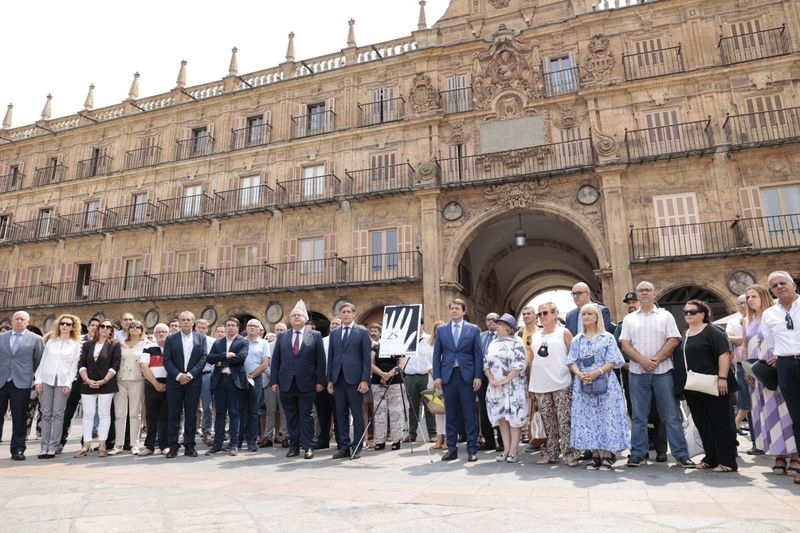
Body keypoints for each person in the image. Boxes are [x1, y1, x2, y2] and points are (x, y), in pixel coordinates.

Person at [619, 280, 695, 468]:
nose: (645, 293)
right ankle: (637, 453)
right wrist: (642, 361)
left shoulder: (665, 315)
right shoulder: (629, 319)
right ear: (637, 295)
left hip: (663, 372)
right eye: (641, 290)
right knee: (638, 416)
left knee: (671, 415)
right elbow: (625, 344)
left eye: (648, 290)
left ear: (654, 294)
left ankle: (681, 454)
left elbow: (674, 339)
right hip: (637, 373)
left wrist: (656, 359)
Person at [566, 304, 629, 471]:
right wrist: (580, 374)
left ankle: (608, 454)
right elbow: (572, 361)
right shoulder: (577, 339)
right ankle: (595, 454)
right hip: (584, 383)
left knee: (607, 417)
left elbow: (613, 360)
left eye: (590, 314)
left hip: (606, 382)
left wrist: (597, 372)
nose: (586, 316)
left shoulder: (607, 337)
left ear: (597, 317)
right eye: (584, 314)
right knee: (588, 419)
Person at [743, 284, 798, 474]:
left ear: (764, 296)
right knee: (769, 413)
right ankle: (779, 455)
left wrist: (779, 356)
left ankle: (796, 456)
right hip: (758, 373)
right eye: (748, 297)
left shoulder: (775, 315)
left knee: (787, 411)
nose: (750, 300)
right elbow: (745, 346)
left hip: (777, 367)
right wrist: (746, 369)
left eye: (754, 296)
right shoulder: (746, 320)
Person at [269, 300, 326, 460]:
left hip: (307, 383)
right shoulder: (282, 336)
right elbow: (276, 361)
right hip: (286, 383)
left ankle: (308, 447)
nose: (296, 317)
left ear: (305, 319)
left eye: (299, 315)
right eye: (293, 315)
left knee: (306, 416)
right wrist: (274, 381)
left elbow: (320, 361)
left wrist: (320, 381)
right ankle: (294, 446)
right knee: (291, 416)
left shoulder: (315, 335)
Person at [760, 271, 800, 486]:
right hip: (786, 365)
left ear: (793, 285)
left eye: (783, 282)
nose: (779, 287)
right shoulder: (769, 314)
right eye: (774, 286)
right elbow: (769, 340)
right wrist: (779, 355)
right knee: (797, 417)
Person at [528, 303, 580, 466]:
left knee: (564, 421)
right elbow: (532, 360)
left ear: (555, 313)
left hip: (562, 382)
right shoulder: (535, 336)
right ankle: (551, 453)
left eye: (545, 313)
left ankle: (570, 455)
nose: (542, 316)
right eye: (539, 314)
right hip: (540, 385)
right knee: (547, 422)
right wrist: (531, 384)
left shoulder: (563, 332)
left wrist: (576, 378)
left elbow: (573, 356)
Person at [433, 298, 484, 462]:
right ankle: (452, 449)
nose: (454, 310)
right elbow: (436, 355)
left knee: (469, 414)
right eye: (452, 308)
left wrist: (478, 376)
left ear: (464, 311)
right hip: (448, 377)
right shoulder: (441, 330)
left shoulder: (473, 330)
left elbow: (478, 355)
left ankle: (472, 449)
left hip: (467, 377)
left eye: (457, 308)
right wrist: (437, 376)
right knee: (451, 414)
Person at [33, 314, 81, 459]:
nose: (64, 326)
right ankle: (44, 447)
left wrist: (68, 383)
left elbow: (74, 367)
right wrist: (38, 380)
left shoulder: (76, 345)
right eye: (62, 323)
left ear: (73, 327)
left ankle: (53, 446)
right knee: (46, 414)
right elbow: (42, 362)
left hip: (63, 383)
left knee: (58, 414)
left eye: (68, 324)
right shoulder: (51, 342)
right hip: (46, 380)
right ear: (58, 325)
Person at [327, 302, 371, 459]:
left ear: (353, 314)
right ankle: (344, 446)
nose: (345, 314)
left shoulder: (362, 332)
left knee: (357, 414)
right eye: (343, 312)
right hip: (338, 379)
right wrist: (330, 380)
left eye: (348, 312)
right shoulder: (334, 334)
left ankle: (357, 446)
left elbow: (366, 358)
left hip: (355, 380)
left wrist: (365, 380)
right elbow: (331, 357)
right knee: (340, 414)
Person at [0, 311, 45, 461]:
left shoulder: (36, 339)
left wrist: (36, 379)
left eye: (22, 319)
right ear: (12, 321)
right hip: (1, 380)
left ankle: (18, 449)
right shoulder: (1, 337)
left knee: (19, 417)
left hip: (22, 382)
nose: (19, 321)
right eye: (16, 319)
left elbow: (39, 362)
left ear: (27, 322)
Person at [162, 311, 208, 458]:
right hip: (175, 382)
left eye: (189, 320)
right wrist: (179, 375)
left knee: (191, 415)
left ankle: (189, 446)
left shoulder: (201, 338)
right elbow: (167, 360)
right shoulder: (171, 339)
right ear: (179, 322)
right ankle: (173, 446)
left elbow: (203, 358)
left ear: (193, 322)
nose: (186, 322)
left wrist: (190, 375)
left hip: (193, 382)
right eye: (183, 320)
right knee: (174, 415)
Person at [484, 313, 528, 463]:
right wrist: (491, 379)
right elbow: (485, 363)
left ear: (508, 328)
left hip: (512, 387)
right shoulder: (493, 343)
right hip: (495, 386)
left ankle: (514, 450)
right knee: (502, 417)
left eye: (500, 325)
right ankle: (506, 449)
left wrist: (506, 380)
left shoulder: (517, 342)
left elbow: (520, 364)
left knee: (513, 418)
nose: (497, 327)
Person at [73, 318, 121, 458]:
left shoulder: (115, 345)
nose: (105, 329)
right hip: (88, 383)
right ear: (98, 328)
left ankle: (102, 443)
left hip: (106, 383)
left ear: (111, 330)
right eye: (102, 326)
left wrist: (103, 380)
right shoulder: (88, 345)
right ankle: (86, 444)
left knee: (104, 414)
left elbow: (115, 365)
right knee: (88, 414)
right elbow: (81, 363)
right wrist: (87, 379)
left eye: (108, 327)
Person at [206, 317, 249, 456]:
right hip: (219, 381)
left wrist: (222, 362)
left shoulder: (243, 341)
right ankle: (217, 444)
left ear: (238, 328)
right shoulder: (218, 342)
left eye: (233, 325)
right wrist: (226, 355)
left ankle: (234, 444)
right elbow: (210, 358)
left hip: (234, 381)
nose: (230, 327)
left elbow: (241, 357)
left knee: (234, 413)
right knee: (219, 414)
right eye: (228, 325)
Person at [109, 319, 148, 455]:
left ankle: (134, 444)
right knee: (119, 414)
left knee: (135, 414)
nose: (134, 329)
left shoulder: (146, 344)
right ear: (128, 329)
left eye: (138, 327)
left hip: (137, 380)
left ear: (141, 330)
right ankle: (118, 444)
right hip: (120, 380)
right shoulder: (119, 344)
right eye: (132, 326)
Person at [370, 334, 406, 452]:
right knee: (379, 412)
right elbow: (371, 364)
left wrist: (388, 375)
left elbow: (401, 364)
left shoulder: (399, 347)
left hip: (395, 382)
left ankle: (396, 440)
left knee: (396, 411)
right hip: (377, 382)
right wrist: (382, 374)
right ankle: (379, 440)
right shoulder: (376, 347)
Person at [238, 319, 270, 453]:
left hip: (255, 380)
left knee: (253, 411)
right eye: (250, 325)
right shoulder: (240, 342)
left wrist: (251, 376)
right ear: (246, 328)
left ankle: (251, 441)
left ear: (259, 329)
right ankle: (237, 440)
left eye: (255, 326)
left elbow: (264, 364)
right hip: (239, 380)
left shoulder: (263, 343)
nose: (252, 328)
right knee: (239, 411)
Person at [404, 318, 436, 445]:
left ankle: (433, 433)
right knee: (412, 407)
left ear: (422, 325)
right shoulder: (406, 339)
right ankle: (412, 434)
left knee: (430, 406)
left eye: (417, 323)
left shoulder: (430, 339)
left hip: (426, 376)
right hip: (410, 376)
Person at [139, 323, 170, 456]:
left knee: (166, 416)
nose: (161, 334)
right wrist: (156, 384)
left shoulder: (172, 347)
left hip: (169, 385)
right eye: (158, 332)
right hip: (152, 384)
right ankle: (149, 446)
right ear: (155, 334)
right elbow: (144, 366)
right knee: (151, 416)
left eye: (164, 332)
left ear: (168, 333)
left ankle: (164, 445)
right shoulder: (148, 347)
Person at [477, 313, 500, 451]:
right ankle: (489, 441)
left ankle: (502, 441)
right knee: (483, 407)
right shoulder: (481, 336)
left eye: (494, 319)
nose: (491, 321)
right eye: (488, 319)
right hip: (482, 376)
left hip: (498, 376)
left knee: (499, 406)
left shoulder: (502, 336)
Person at [316, 317, 340, 450]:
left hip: (337, 381)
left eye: (337, 323)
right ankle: (323, 440)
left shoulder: (342, 340)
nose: (334, 325)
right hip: (322, 380)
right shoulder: (322, 341)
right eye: (333, 323)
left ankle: (341, 440)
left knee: (339, 412)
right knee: (322, 412)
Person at [422, 320, 446, 449]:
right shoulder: (429, 344)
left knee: (447, 411)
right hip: (433, 381)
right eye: (438, 328)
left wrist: (442, 377)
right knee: (438, 410)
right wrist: (436, 376)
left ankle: (447, 437)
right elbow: (427, 362)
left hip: (446, 380)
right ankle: (439, 436)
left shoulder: (448, 343)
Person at [194, 318, 217, 446]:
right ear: (195, 328)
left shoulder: (213, 342)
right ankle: (188, 433)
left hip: (206, 375)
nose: (201, 330)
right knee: (190, 406)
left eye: (204, 328)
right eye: (199, 327)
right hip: (191, 376)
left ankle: (207, 432)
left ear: (207, 329)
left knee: (207, 406)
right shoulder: (189, 340)